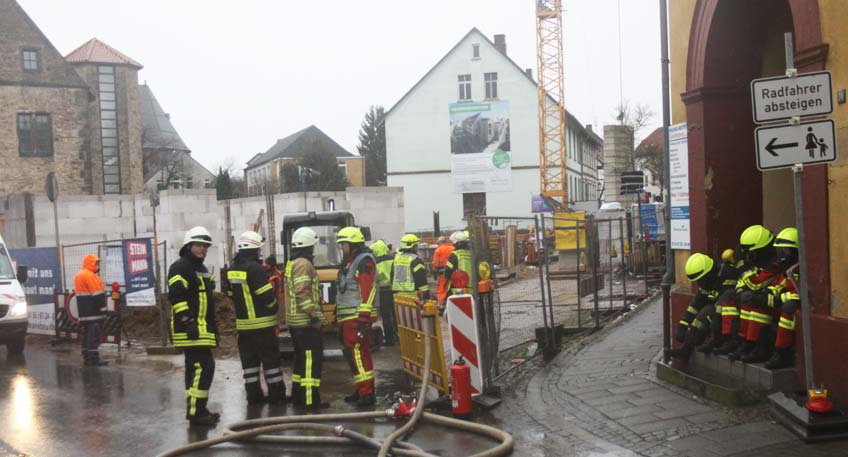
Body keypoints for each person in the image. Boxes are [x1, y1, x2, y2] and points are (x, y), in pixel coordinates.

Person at [168, 226, 220, 425]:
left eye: (205, 246)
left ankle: (196, 408)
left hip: (201, 329)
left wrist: (212, 328)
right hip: (190, 329)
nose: (203, 249)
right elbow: (176, 295)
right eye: (199, 245)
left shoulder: (201, 269)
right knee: (204, 367)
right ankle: (197, 412)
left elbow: (204, 300)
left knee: (195, 369)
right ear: (188, 246)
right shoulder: (180, 267)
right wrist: (187, 321)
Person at [227, 231, 284, 404]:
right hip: (262, 327)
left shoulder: (232, 269)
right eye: (259, 249)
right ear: (253, 250)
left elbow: (230, 294)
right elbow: (265, 296)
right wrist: (274, 307)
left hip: (243, 328)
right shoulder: (255, 268)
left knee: (250, 366)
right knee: (271, 363)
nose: (260, 253)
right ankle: (277, 397)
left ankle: (254, 397)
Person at [726, 225, 786, 363]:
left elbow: (756, 283)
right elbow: (743, 281)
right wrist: (741, 291)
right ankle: (746, 343)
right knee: (747, 303)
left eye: (750, 253)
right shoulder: (760, 259)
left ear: (761, 250)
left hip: (776, 301)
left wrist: (741, 265)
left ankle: (760, 348)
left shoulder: (774, 262)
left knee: (756, 305)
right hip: (765, 297)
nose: (748, 257)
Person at [285, 227, 330, 410]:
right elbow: (302, 293)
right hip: (305, 322)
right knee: (312, 361)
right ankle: (311, 401)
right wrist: (316, 317)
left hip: (296, 322)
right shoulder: (304, 264)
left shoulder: (292, 263)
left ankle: (298, 396)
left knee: (301, 360)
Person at [665, 252, 737, 363]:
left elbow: (726, 300)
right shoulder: (707, 280)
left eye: (700, 279)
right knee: (700, 316)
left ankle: (716, 341)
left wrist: (711, 320)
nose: (699, 283)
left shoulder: (727, 273)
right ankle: (685, 350)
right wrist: (683, 325)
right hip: (717, 308)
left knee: (706, 313)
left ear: (707, 273)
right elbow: (696, 304)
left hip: (733, 309)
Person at [336, 226, 378, 407]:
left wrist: (363, 317)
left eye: (343, 244)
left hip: (356, 318)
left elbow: (367, 290)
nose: (341, 248)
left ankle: (366, 393)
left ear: (352, 244)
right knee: (357, 355)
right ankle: (362, 388)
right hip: (348, 318)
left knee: (358, 355)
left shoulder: (364, 262)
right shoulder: (350, 262)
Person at [765, 228, 799, 369]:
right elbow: (781, 285)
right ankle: (759, 346)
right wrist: (767, 293)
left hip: (795, 307)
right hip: (784, 302)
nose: (782, 256)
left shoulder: (800, 269)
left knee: (787, 308)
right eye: (780, 252)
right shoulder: (787, 269)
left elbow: (800, 293)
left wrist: (779, 298)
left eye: (786, 252)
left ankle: (782, 353)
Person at [74, 254, 108, 366]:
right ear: (91, 263)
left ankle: (86, 356)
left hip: (84, 312)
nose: (98, 265)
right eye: (96, 263)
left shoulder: (79, 275)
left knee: (87, 334)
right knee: (94, 335)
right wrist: (103, 309)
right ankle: (94, 358)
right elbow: (97, 295)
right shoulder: (91, 276)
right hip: (93, 312)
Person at [371, 239, 398, 345]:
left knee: (386, 316)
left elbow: (375, 279)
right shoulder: (393, 258)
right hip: (394, 289)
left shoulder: (375, 262)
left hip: (383, 291)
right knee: (396, 314)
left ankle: (389, 339)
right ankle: (399, 336)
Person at [392, 233, 430, 304]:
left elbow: (392, 275)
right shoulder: (416, 260)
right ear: (414, 246)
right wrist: (426, 296)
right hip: (413, 296)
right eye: (416, 245)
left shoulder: (395, 258)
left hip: (398, 295)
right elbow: (421, 279)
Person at [444, 231, 472, 296]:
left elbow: (447, 272)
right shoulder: (471, 255)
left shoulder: (455, 255)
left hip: (457, 289)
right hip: (472, 289)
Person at [431, 236, 455, 309]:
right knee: (453, 287)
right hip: (453, 271)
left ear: (440, 242)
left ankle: (441, 305)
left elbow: (435, 263)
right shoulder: (453, 248)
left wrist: (434, 270)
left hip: (442, 272)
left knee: (442, 288)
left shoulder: (438, 250)